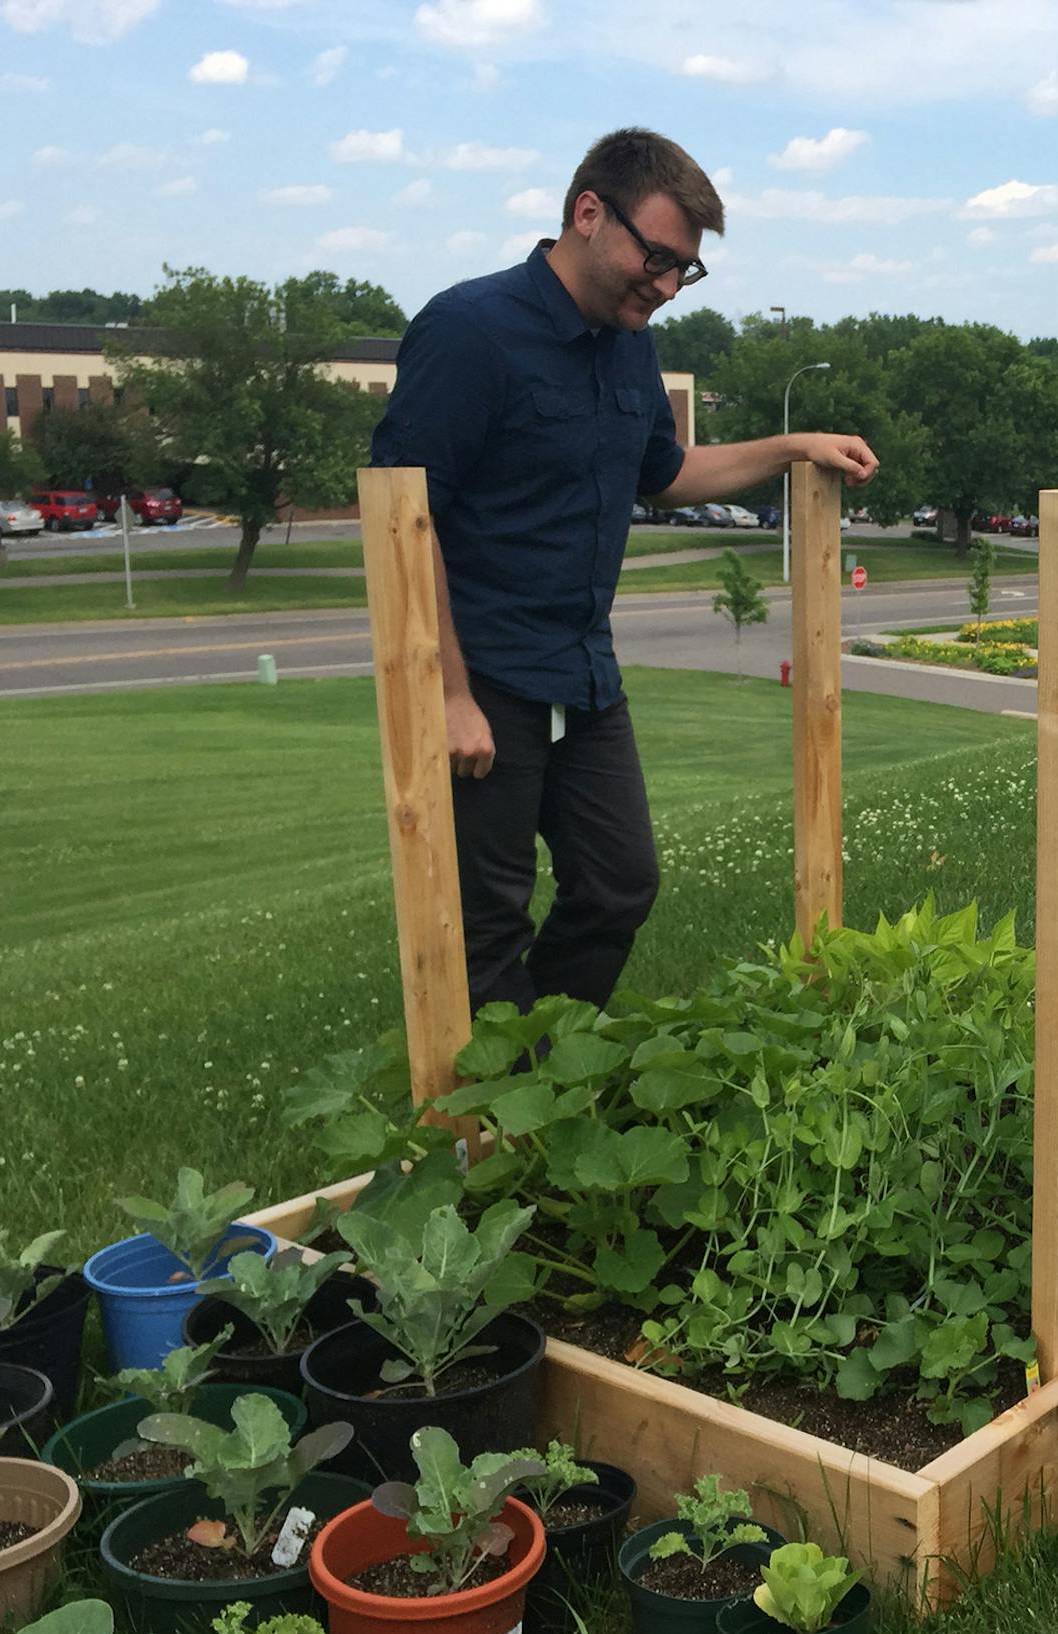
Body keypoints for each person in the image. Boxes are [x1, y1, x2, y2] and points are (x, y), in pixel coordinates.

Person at [373, 128, 878, 1016]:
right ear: (588, 213)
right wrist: (448, 694)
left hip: (584, 674)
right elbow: (407, 528)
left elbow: (667, 473)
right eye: (658, 257)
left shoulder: (629, 346)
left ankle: (545, 1078)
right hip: (484, 678)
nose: (669, 284)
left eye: (687, 269)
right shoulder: (469, 332)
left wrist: (796, 446)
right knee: (485, 925)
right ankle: (495, 1128)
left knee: (618, 885)